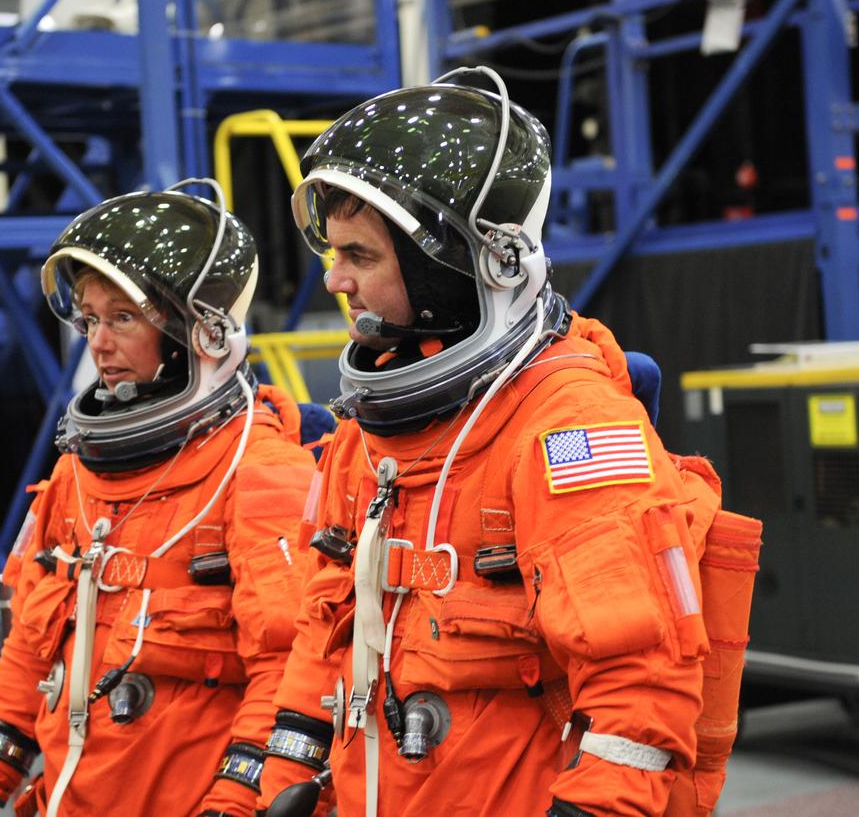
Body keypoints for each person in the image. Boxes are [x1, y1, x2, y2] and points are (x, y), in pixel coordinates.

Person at [255, 68, 754, 816]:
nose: (335, 281)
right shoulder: (366, 433)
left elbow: (639, 683)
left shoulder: (567, 424)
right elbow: (323, 629)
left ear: (462, 264)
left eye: (360, 256)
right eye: (335, 254)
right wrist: (280, 784)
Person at [0, 180, 316, 817]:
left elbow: (287, 672)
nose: (98, 341)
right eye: (89, 318)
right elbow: (28, 652)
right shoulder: (74, 478)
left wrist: (233, 805)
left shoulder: (257, 473)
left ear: (200, 332)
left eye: (122, 318)